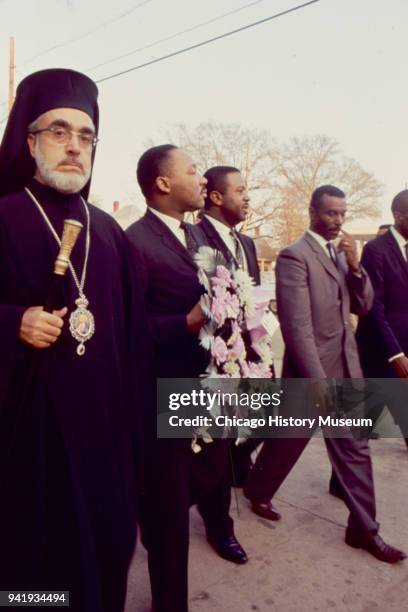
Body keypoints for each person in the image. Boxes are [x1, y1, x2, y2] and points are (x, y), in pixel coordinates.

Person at [0, 69, 149, 612]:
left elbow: (133, 342)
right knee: (33, 571)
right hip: (27, 443)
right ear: (29, 139)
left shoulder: (108, 231)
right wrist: (12, 321)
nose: (73, 147)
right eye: (58, 132)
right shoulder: (4, 217)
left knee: (101, 565)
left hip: (104, 440)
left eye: (85, 136)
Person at [243, 185, 406, 563]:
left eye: (343, 214)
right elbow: (297, 326)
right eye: (331, 213)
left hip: (346, 364)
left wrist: (354, 266)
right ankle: (258, 489)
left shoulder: (341, 253)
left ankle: (363, 530)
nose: (338, 221)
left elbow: (364, 306)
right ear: (313, 211)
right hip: (312, 371)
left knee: (354, 447)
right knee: (289, 438)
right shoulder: (293, 256)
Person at [126, 145, 248, 612]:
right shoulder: (135, 242)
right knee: (170, 510)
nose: (201, 180)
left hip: (208, 387)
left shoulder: (198, 237)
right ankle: (170, 600)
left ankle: (146, 511)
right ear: (162, 184)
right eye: (192, 171)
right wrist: (185, 322)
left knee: (213, 470)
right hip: (163, 393)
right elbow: (127, 329)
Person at [197, 165, 268, 491]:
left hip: (250, 350)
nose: (247, 197)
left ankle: (238, 464)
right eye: (239, 190)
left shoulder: (248, 243)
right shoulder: (194, 237)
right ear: (215, 196)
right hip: (214, 356)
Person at [356, 191, 408, 448]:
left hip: (404, 354)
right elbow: (374, 308)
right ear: (398, 216)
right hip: (381, 353)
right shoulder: (375, 250)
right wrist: (395, 355)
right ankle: (341, 481)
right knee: (360, 431)